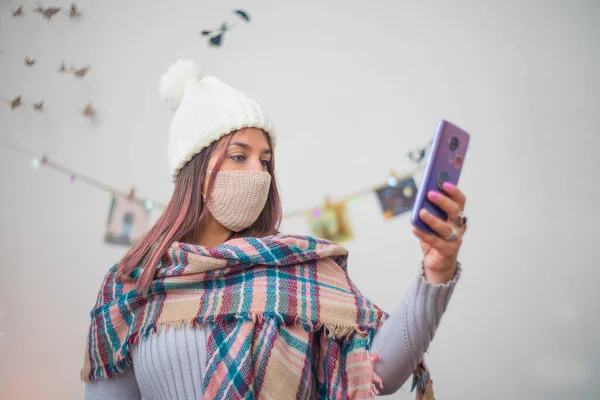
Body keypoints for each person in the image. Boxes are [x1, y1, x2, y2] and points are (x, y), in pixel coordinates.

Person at [81, 59, 467, 400]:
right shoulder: (134, 284)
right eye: (239, 156)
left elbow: (379, 371)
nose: (258, 173)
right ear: (195, 171)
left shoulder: (297, 269)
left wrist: (437, 272)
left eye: (265, 161)